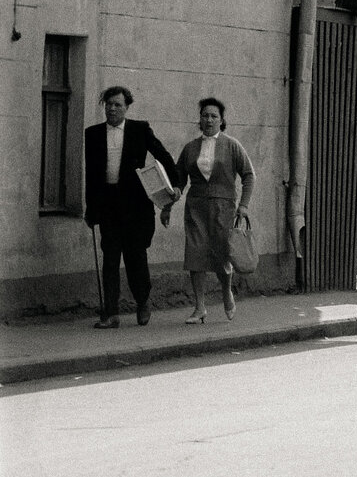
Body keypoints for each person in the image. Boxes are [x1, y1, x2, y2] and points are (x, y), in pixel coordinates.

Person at [84, 85, 177, 329]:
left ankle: (143, 300)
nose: (112, 108)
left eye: (118, 104)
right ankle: (111, 313)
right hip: (107, 205)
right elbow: (91, 175)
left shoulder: (139, 130)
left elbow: (163, 156)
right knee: (110, 259)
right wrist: (90, 208)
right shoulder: (92, 134)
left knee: (136, 258)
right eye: (109, 104)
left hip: (136, 206)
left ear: (127, 107)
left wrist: (174, 185)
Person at [164, 97, 255, 324]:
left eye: (214, 116)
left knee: (222, 255)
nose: (209, 119)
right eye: (205, 115)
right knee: (195, 255)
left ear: (222, 120)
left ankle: (226, 292)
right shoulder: (190, 148)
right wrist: (168, 204)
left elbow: (249, 175)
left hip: (223, 208)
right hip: (196, 207)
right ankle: (200, 307)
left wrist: (243, 206)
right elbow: (178, 181)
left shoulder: (232, 145)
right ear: (200, 119)